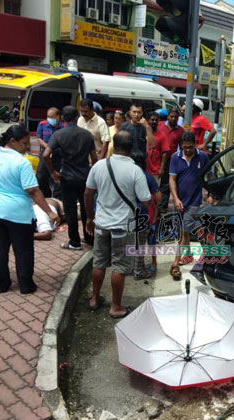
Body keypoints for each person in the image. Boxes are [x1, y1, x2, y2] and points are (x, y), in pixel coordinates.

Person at [0, 125, 60, 294]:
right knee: (23, 249)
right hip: (16, 213)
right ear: (12, 141)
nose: (27, 148)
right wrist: (50, 212)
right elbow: (33, 191)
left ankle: (1, 284)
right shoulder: (20, 162)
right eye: (24, 144)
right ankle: (25, 285)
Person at [84, 131, 152, 318]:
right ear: (131, 148)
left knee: (99, 263)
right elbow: (146, 200)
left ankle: (95, 299)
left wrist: (90, 217)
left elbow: (88, 194)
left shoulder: (99, 166)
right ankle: (115, 307)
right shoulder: (135, 171)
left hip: (101, 224)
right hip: (123, 225)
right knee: (119, 267)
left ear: (114, 145)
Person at [43, 105, 96, 250]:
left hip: (66, 177)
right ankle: (90, 238)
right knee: (86, 208)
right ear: (76, 118)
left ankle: (74, 242)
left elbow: (46, 155)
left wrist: (53, 172)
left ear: (62, 118)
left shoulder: (58, 135)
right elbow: (95, 158)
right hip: (85, 177)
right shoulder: (87, 135)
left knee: (70, 210)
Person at [168, 131, 210, 280]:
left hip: (194, 202)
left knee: (187, 229)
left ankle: (176, 263)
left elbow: (209, 176)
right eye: (185, 147)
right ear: (181, 146)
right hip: (180, 201)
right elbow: (172, 180)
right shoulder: (175, 158)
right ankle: (188, 255)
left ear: (195, 144)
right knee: (182, 231)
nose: (188, 150)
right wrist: (176, 199)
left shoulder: (203, 157)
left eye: (190, 147)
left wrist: (210, 194)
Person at [133, 160, 161, 280]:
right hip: (147, 217)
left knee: (139, 243)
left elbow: (156, 201)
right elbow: (158, 197)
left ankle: (148, 264)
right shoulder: (148, 177)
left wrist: (153, 217)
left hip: (140, 217)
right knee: (148, 242)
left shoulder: (130, 177)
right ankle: (149, 264)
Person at [159, 108, 184, 210]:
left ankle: (162, 207)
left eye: (175, 117)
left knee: (166, 184)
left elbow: (182, 146)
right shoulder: (160, 125)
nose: (173, 119)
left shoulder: (180, 131)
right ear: (168, 116)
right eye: (171, 116)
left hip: (170, 160)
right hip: (156, 159)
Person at [36, 107, 63, 199]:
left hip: (58, 155)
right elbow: (39, 138)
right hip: (45, 154)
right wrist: (47, 147)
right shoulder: (42, 124)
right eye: (48, 116)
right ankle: (45, 195)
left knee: (58, 177)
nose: (49, 118)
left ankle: (57, 198)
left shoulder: (63, 126)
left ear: (58, 116)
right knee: (40, 176)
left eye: (52, 117)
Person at [120, 103, 156, 170]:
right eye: (134, 112)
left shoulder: (145, 127)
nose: (136, 114)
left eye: (139, 112)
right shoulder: (124, 126)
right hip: (126, 161)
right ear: (130, 113)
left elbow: (152, 145)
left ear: (142, 113)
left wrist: (147, 127)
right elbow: (119, 145)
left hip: (140, 162)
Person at [145, 111, 170, 184]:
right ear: (148, 120)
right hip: (143, 168)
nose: (154, 122)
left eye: (156, 120)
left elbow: (165, 152)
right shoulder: (143, 132)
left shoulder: (162, 135)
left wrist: (162, 168)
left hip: (155, 169)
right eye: (152, 120)